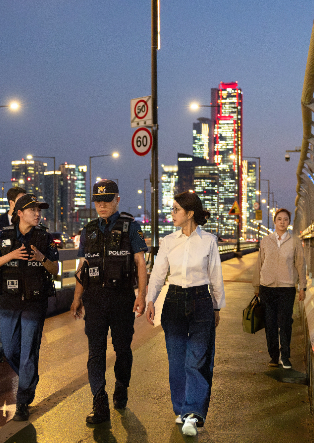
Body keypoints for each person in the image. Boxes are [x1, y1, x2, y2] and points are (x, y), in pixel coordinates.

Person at [145, 192, 225, 437]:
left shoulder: (209, 240)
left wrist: (216, 306)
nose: (172, 214)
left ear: (190, 213)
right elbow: (158, 274)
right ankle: (181, 408)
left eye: (176, 210)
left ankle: (193, 413)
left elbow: (215, 275)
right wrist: (150, 300)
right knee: (177, 358)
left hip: (201, 301)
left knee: (198, 358)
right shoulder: (169, 241)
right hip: (174, 300)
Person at [70, 179, 148, 425]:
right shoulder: (89, 230)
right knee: (96, 351)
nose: (102, 205)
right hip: (94, 299)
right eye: (98, 201)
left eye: (107, 200)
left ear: (117, 200)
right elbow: (83, 266)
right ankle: (99, 401)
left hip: (122, 297)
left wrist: (142, 295)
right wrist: (77, 297)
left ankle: (121, 386)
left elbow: (140, 263)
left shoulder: (130, 228)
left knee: (123, 349)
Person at [0, 193, 59, 421]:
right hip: (8, 302)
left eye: (39, 210)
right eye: (32, 210)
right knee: (9, 351)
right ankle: (30, 379)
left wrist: (40, 258)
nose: (37, 214)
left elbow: (55, 269)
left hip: (35, 304)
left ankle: (23, 399)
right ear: (19, 213)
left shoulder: (45, 238)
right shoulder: (2, 236)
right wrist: (12, 255)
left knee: (28, 353)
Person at [252, 208, 306, 370]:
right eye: (279, 219)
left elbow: (300, 265)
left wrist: (302, 286)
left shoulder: (294, 241)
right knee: (270, 324)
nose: (282, 222)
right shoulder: (266, 240)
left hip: (286, 288)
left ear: (289, 223)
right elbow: (259, 263)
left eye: (286, 219)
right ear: (275, 221)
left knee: (285, 323)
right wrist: (257, 285)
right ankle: (274, 356)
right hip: (267, 288)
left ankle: (286, 356)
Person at [0, 186, 26, 363]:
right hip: (0, 275)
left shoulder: (26, 220)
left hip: (22, 276)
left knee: (21, 313)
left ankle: (18, 346)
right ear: (11, 203)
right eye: (21, 200)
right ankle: (1, 347)